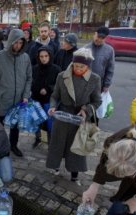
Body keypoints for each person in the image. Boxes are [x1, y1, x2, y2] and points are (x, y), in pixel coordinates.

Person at [46, 48, 102, 184]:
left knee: (76, 147)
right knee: (58, 144)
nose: (77, 68)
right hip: (62, 116)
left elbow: (97, 101)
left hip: (80, 119)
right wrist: (53, 106)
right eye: (75, 65)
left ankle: (74, 174)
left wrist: (86, 110)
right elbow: (55, 96)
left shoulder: (94, 79)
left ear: (88, 66)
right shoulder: (62, 76)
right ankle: (56, 167)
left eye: (81, 66)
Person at [0, 29, 32, 157]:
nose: (18, 46)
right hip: (2, 101)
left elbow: (29, 78)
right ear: (11, 41)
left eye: (20, 43)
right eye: (16, 42)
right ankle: (0, 148)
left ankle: (13, 145)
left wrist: (25, 95)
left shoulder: (25, 58)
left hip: (18, 101)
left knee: (15, 127)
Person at [31, 46, 61, 148]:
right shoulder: (34, 68)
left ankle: (50, 142)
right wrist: (36, 89)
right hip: (36, 100)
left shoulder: (56, 69)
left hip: (49, 100)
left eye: (46, 56)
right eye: (41, 56)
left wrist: (48, 89)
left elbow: (58, 85)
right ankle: (38, 138)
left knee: (49, 123)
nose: (43, 58)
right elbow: (31, 83)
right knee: (37, 121)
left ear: (50, 56)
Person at [84, 26, 115, 93]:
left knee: (97, 102)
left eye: (102, 38)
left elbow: (110, 69)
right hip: (84, 83)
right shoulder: (86, 48)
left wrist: (106, 84)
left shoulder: (109, 50)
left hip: (99, 84)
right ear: (95, 34)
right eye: (98, 37)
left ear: (106, 38)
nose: (99, 40)